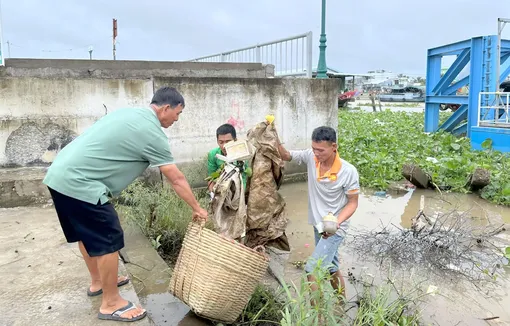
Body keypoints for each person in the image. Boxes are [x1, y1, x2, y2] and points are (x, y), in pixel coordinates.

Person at [42, 86, 208, 322]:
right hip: (82, 184)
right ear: (165, 108)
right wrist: (198, 208)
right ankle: (111, 303)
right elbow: (176, 178)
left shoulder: (128, 114)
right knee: (109, 238)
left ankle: (99, 281)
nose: (176, 119)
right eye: (177, 114)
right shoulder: (152, 132)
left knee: (86, 234)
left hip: (60, 176)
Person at [277, 126, 359, 299]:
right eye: (314, 148)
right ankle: (340, 303)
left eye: (321, 150)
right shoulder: (310, 157)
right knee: (331, 266)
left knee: (311, 270)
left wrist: (337, 222)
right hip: (318, 224)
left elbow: (352, 203)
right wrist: (273, 135)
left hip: (335, 228)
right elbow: (285, 155)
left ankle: (318, 316)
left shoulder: (348, 171)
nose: (316, 153)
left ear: (334, 146)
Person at [207, 123, 248, 192]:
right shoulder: (213, 154)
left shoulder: (244, 154)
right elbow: (211, 178)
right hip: (222, 191)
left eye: (228, 142)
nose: (224, 146)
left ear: (235, 140)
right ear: (217, 141)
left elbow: (247, 176)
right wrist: (212, 195)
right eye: (221, 142)